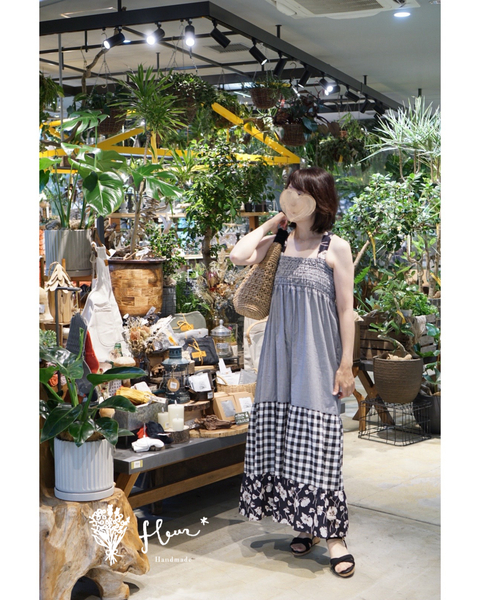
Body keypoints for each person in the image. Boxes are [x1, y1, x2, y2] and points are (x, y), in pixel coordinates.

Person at [230, 166, 356, 577]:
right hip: (278, 359)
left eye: (299, 192)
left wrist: (346, 364)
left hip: (317, 359)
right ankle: (305, 525)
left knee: (320, 443)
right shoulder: (278, 245)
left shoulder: (335, 247)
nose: (291, 197)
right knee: (285, 440)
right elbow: (238, 256)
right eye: (288, 191)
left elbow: (346, 310)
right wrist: (274, 222)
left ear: (319, 200)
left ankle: (334, 536)